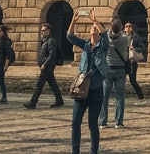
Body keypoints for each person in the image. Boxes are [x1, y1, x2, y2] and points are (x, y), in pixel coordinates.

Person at [67, 9, 109, 154]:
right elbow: (69, 36)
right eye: (92, 27)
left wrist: (95, 20)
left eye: (95, 28)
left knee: (92, 124)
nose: (93, 28)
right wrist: (74, 20)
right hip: (82, 89)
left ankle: (94, 151)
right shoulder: (85, 44)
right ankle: (75, 151)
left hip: (96, 90)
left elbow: (106, 35)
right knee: (75, 122)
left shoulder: (103, 47)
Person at [23, 23, 64, 109]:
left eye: (43, 30)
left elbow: (52, 54)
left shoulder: (51, 41)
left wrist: (45, 64)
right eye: (41, 30)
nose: (42, 32)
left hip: (47, 66)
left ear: (48, 31)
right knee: (52, 84)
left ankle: (33, 102)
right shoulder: (45, 40)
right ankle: (59, 100)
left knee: (40, 84)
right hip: (45, 66)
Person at [99, 18, 129, 128]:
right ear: (120, 28)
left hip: (108, 68)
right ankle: (118, 121)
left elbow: (104, 34)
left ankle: (103, 121)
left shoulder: (106, 39)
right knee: (120, 97)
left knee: (104, 96)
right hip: (120, 69)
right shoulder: (125, 39)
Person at [123, 22, 146, 105]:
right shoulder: (121, 36)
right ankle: (119, 98)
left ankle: (141, 98)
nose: (128, 28)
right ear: (124, 28)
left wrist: (135, 48)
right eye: (126, 26)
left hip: (132, 62)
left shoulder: (136, 37)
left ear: (132, 28)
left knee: (133, 81)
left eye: (130, 26)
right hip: (123, 61)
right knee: (121, 80)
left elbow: (142, 47)